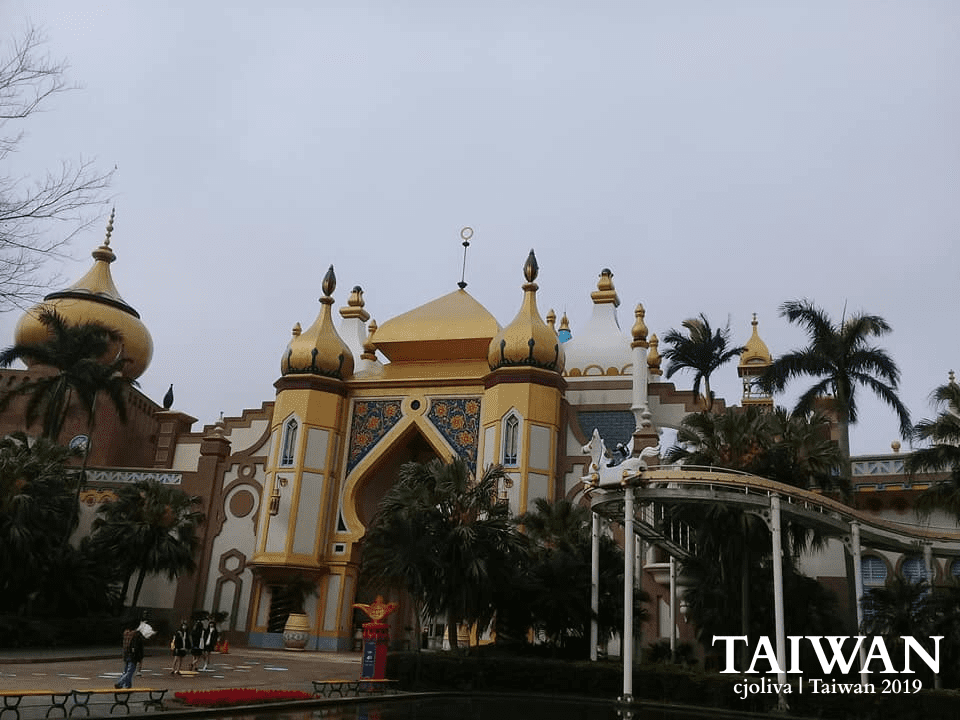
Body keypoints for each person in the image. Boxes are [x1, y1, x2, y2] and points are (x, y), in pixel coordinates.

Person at [115, 620, 143, 689]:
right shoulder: (136, 635)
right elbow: (137, 647)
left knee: (126, 671)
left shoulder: (126, 633)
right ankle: (120, 683)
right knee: (130, 671)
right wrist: (139, 657)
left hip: (126, 654)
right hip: (132, 656)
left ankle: (128, 686)